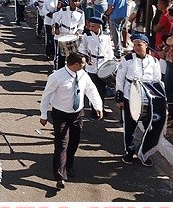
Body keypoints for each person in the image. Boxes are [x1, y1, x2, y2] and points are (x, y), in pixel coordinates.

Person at [40, 52, 103, 189]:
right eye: (83, 63)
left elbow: (91, 90)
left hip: (77, 114)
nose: (85, 65)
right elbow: (46, 95)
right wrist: (43, 114)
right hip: (60, 114)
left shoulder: (82, 75)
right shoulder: (56, 77)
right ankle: (60, 176)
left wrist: (97, 106)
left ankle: (69, 164)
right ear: (75, 64)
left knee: (74, 142)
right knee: (62, 143)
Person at [114, 34, 164, 166]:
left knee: (150, 127)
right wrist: (119, 96)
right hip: (130, 97)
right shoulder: (127, 59)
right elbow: (120, 78)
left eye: (139, 44)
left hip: (148, 99)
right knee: (130, 127)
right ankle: (129, 152)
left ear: (146, 45)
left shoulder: (154, 61)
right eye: (135, 44)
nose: (136, 47)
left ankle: (144, 153)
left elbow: (157, 81)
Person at [78, 17, 115, 103]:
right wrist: (86, 58)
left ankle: (100, 108)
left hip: (103, 65)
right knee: (93, 89)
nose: (90, 28)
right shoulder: (87, 35)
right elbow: (82, 48)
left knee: (102, 89)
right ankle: (94, 111)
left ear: (99, 26)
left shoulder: (106, 36)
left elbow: (109, 50)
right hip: (92, 64)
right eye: (90, 26)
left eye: (93, 26)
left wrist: (111, 62)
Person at [52, 0, 85, 71]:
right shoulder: (63, 10)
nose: (74, 3)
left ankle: (69, 71)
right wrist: (57, 28)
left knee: (72, 56)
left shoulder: (80, 12)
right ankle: (58, 70)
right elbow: (57, 20)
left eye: (76, 1)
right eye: (72, 1)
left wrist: (78, 32)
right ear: (69, 1)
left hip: (73, 35)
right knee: (60, 55)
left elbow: (81, 24)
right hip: (63, 33)